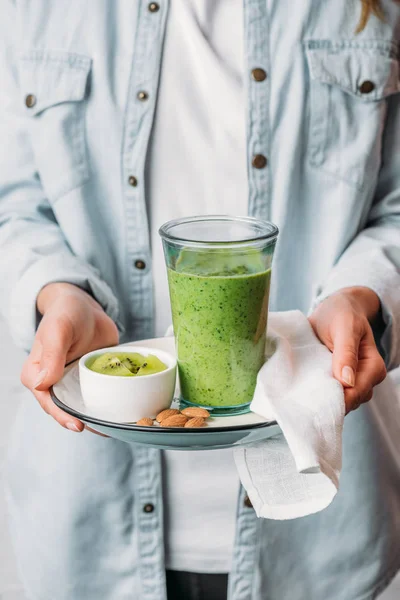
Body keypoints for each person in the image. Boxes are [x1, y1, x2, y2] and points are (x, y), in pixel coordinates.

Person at [1, 0, 400, 599]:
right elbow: (16, 207)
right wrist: (57, 296)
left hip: (319, 540)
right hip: (85, 536)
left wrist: (362, 296)